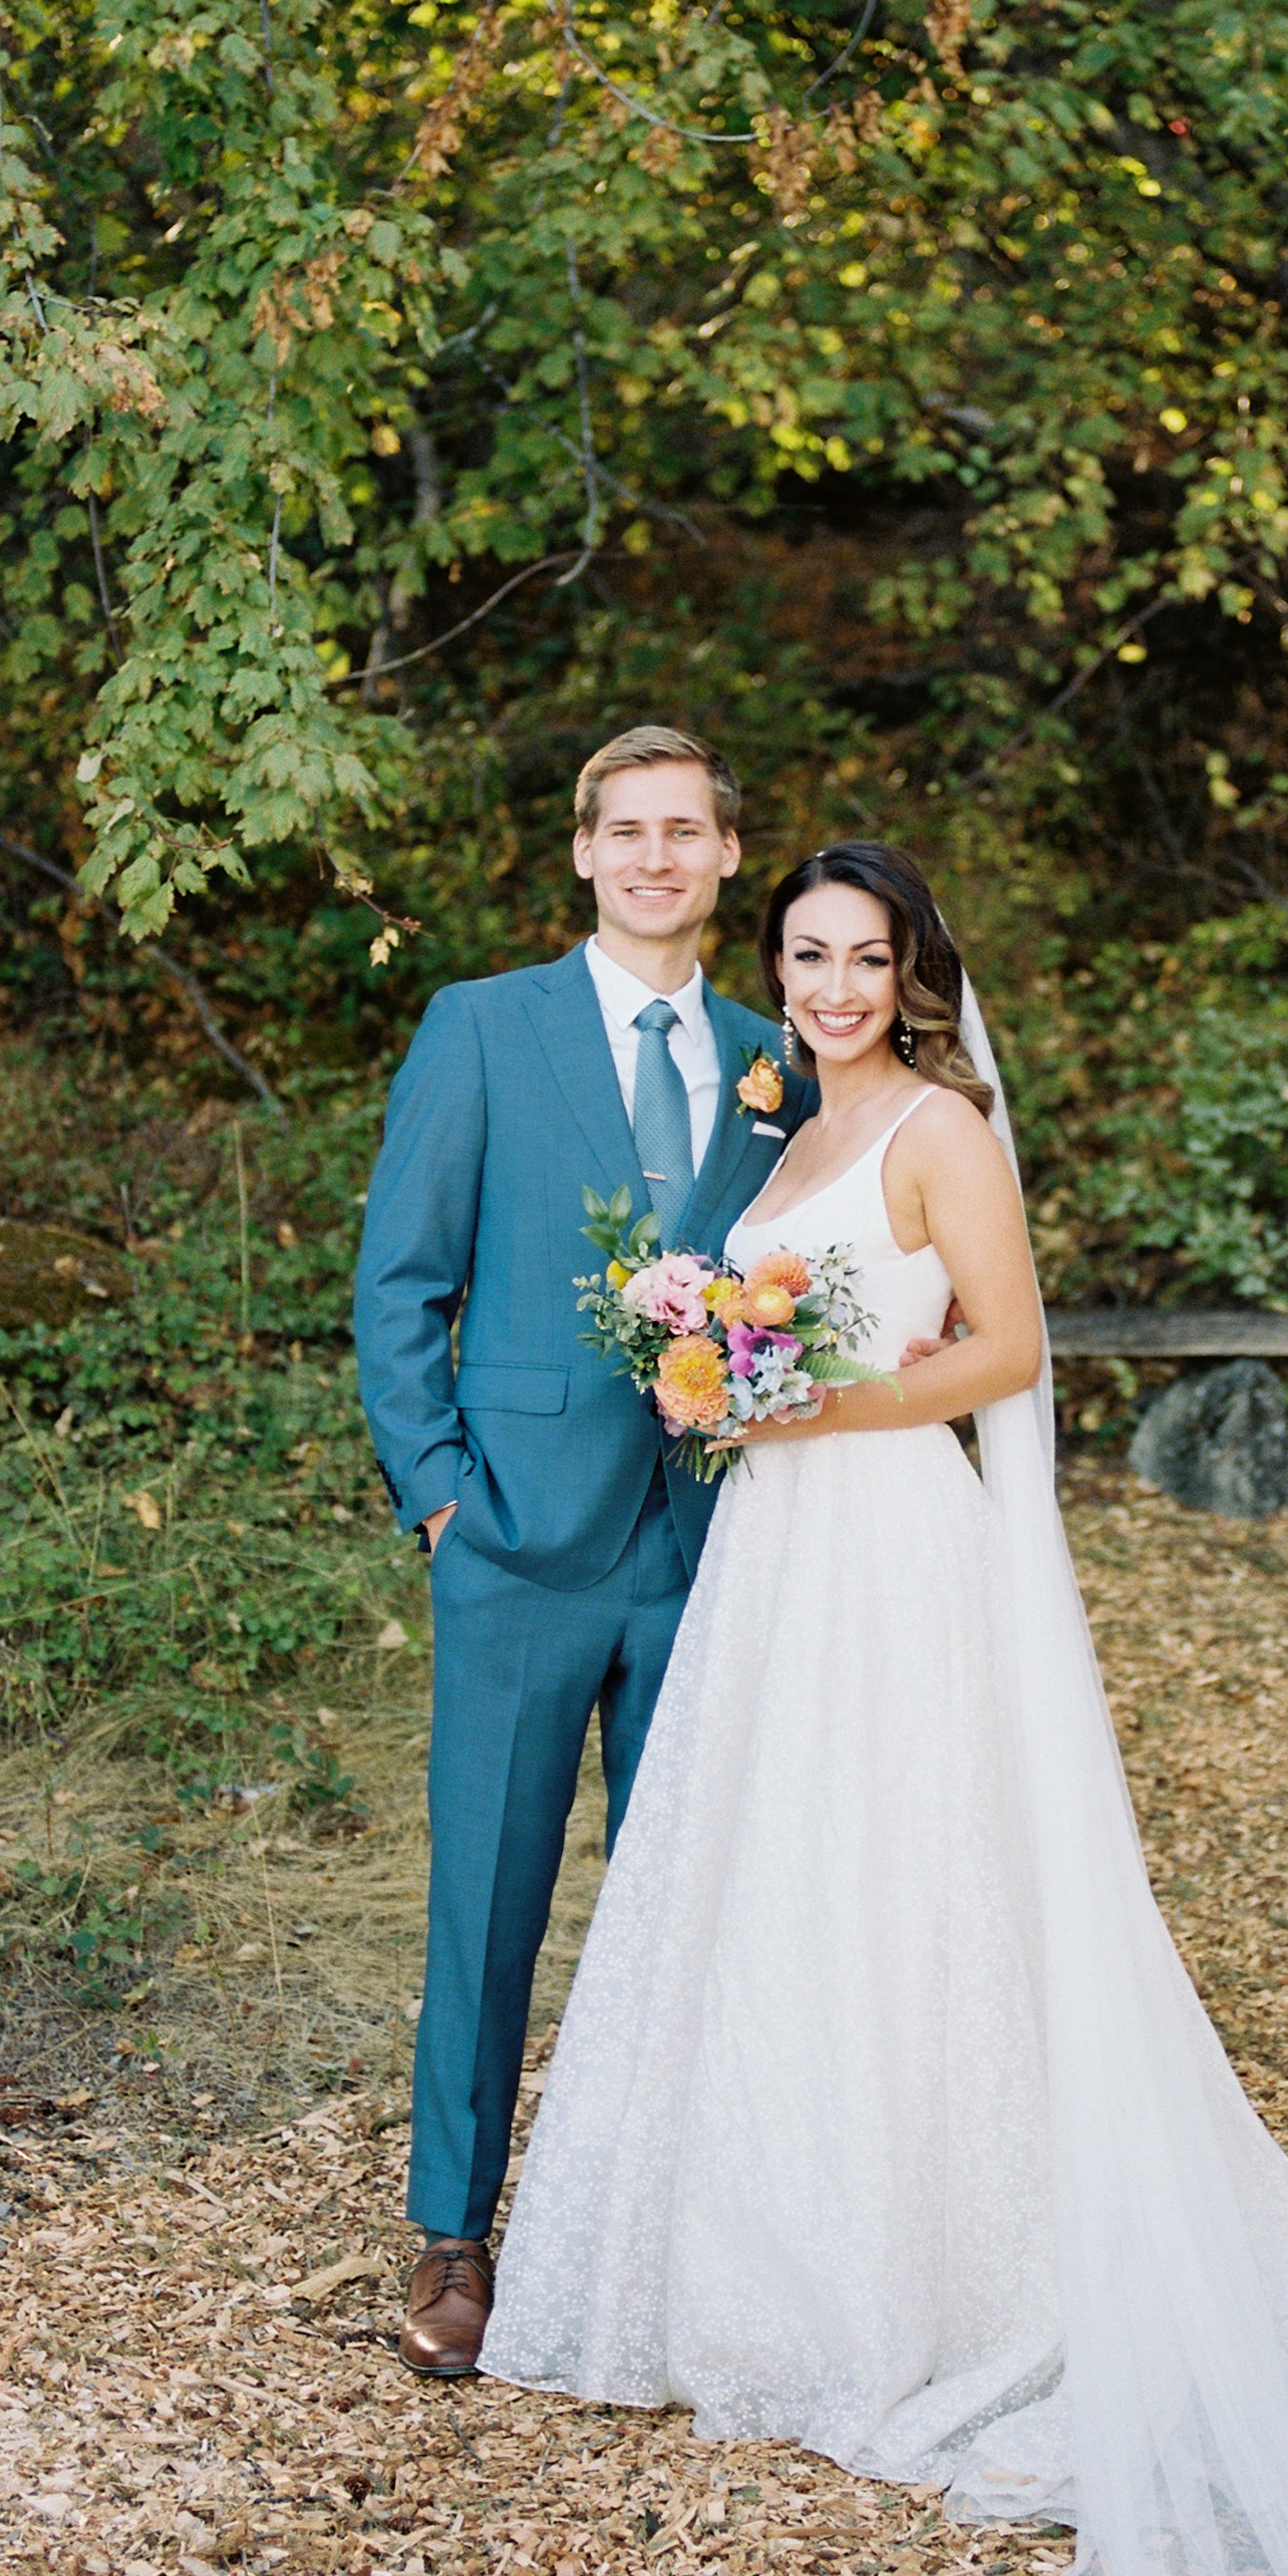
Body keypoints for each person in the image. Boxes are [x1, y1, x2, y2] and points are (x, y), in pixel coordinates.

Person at [480, 841, 1288, 2576]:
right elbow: (756, 1327)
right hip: (773, 1562)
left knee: (909, 1894)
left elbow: (1006, 1356)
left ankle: (927, 2287)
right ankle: (755, 2264)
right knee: (769, 1900)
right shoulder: (778, 1117)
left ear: (914, 971)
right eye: (804, 955)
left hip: (886, 1548)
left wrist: (790, 1390)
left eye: (862, 957)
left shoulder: (939, 1128)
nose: (830, 984)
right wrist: (708, 1354)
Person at [353, 725, 817, 2379]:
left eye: (685, 831)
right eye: (627, 831)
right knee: (486, 1900)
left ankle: (653, 2238)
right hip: (519, 1544)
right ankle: (456, 2241)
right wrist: (439, 1496)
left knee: (689, 1903)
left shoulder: (783, 1060)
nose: (655, 858)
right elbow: (401, 1282)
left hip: (715, 1546)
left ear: (727, 858)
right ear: (582, 854)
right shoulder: (481, 1028)